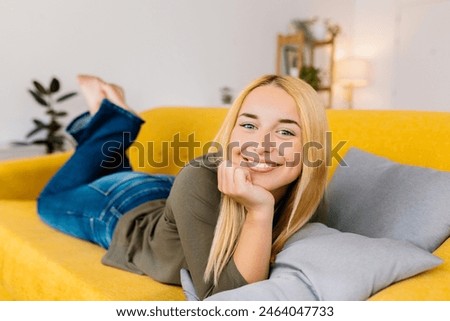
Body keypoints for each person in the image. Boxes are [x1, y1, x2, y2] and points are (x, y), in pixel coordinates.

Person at [37, 74, 328, 300]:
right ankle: (115, 120)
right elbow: (230, 302)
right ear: (231, 133)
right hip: (124, 206)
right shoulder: (200, 178)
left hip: (177, 196)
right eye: (249, 126)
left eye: (286, 131)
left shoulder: (307, 199)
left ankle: (109, 125)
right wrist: (260, 210)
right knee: (50, 200)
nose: (261, 144)